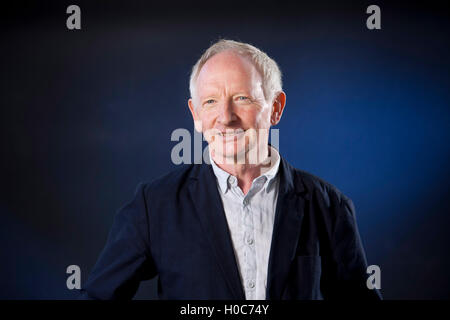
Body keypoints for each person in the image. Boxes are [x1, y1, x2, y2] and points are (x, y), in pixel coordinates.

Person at [79, 39, 381, 300]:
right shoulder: (154, 205)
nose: (225, 117)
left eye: (242, 98)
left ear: (276, 107)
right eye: (211, 101)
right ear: (196, 115)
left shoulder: (329, 207)